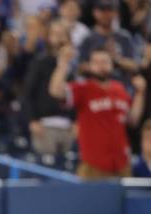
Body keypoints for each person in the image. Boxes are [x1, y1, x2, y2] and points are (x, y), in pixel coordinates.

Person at [49, 46, 147, 179]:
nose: (100, 66)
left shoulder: (120, 89)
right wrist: (63, 63)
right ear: (89, 66)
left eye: (104, 62)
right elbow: (55, 91)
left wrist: (140, 94)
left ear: (112, 65)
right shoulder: (83, 88)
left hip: (122, 164)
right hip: (93, 167)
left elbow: (132, 120)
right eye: (96, 62)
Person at [23, 20, 76, 158]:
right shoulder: (40, 62)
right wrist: (32, 120)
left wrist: (76, 121)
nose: (57, 38)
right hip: (45, 125)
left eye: (61, 34)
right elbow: (28, 93)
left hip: (68, 126)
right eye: (54, 34)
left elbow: (77, 96)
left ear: (68, 38)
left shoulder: (75, 67)